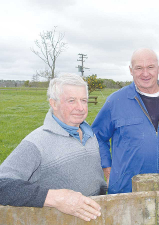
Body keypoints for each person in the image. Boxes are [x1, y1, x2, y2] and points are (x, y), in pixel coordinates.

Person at [0, 74, 107, 222]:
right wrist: (56, 198)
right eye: (71, 101)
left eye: (84, 100)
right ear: (53, 103)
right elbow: (2, 184)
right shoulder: (36, 143)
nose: (81, 108)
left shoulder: (90, 135)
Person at [92, 48, 159, 194]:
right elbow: (97, 137)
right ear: (131, 70)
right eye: (139, 68)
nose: (145, 73)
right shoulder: (115, 101)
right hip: (126, 189)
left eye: (150, 67)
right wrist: (107, 169)